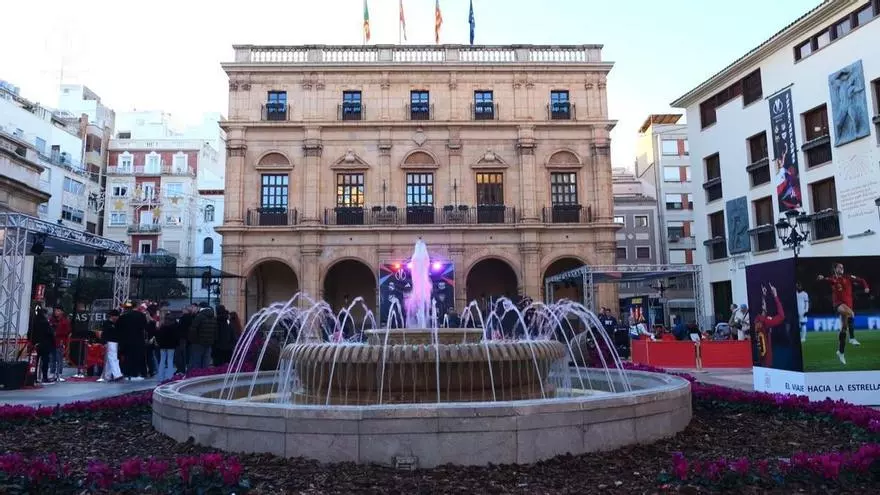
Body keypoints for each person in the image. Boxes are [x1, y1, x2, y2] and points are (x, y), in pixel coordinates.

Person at [817, 262, 870, 365]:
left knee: (843, 329)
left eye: (842, 267)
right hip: (839, 304)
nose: (842, 268)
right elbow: (826, 279)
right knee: (851, 314)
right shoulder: (833, 279)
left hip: (848, 305)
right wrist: (822, 278)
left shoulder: (848, 277)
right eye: (839, 267)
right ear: (835, 269)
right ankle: (852, 338)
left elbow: (862, 280)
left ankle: (840, 352)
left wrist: (866, 286)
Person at [753, 284, 786, 368]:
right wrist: (775, 296)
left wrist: (763, 295)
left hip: (759, 357)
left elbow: (762, 306)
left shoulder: (756, 320)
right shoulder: (764, 321)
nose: (765, 305)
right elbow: (781, 316)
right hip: (767, 360)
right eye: (764, 304)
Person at [117, 301, 148, 381]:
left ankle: (127, 374)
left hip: (126, 340)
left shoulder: (123, 317)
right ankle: (136, 374)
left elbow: (118, 327)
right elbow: (145, 327)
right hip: (138, 340)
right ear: (137, 306)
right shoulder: (141, 315)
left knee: (127, 357)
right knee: (138, 357)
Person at [28, 308, 55, 384]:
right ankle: (44, 377)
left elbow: (29, 333)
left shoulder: (34, 322)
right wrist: (53, 343)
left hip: (36, 345)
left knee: (35, 362)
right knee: (45, 361)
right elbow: (50, 334)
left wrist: (33, 342)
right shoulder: (45, 323)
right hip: (45, 345)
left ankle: (33, 377)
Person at [188, 302, 218, 370]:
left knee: (196, 363)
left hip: (198, 344)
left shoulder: (199, 316)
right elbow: (216, 331)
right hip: (209, 344)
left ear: (200, 307)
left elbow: (193, 330)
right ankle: (204, 378)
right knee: (206, 364)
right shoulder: (213, 317)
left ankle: (196, 378)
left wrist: (193, 341)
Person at [98, 309, 123, 382]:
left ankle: (107, 376)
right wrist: (104, 342)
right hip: (109, 342)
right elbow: (104, 334)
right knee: (113, 358)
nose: (117, 318)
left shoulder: (117, 324)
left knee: (109, 359)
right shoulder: (107, 324)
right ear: (112, 316)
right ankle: (117, 374)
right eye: (116, 316)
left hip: (115, 342)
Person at [49, 305, 71, 381]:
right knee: (52, 358)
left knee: (59, 359)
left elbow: (67, 331)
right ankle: (52, 373)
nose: (56, 312)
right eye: (55, 310)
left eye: (58, 311)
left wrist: (57, 333)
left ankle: (59, 374)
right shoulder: (51, 320)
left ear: (62, 312)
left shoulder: (65, 321)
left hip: (60, 342)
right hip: (52, 341)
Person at [156, 313, 181, 382]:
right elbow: (177, 337)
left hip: (162, 346)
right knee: (170, 361)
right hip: (171, 346)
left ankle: (160, 377)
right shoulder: (175, 326)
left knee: (162, 360)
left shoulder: (162, 326)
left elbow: (158, 336)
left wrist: (159, 343)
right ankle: (170, 376)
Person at [175, 303, 197, 373]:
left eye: (183, 309)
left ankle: (182, 369)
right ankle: (185, 368)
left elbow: (180, 328)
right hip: (188, 339)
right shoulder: (191, 317)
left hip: (183, 338)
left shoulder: (184, 318)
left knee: (182, 355)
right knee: (187, 354)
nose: (182, 310)